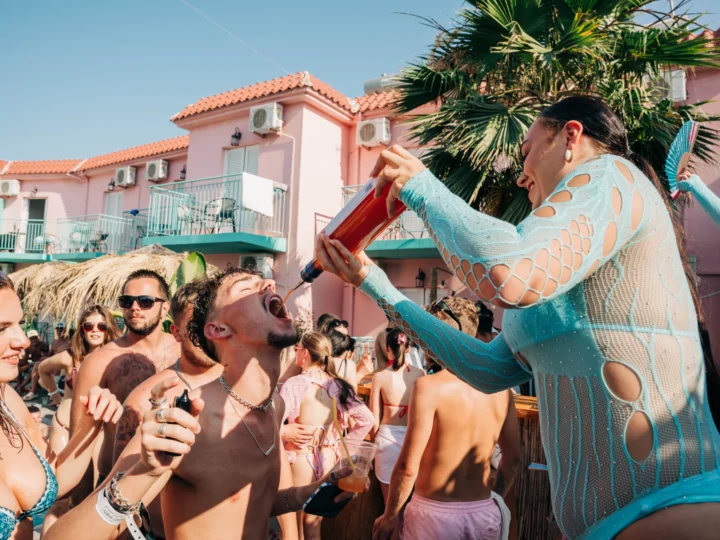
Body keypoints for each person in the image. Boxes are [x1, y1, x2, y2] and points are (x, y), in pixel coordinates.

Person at [316, 95, 720, 539]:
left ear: (571, 137)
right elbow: (489, 370)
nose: (521, 174)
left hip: (672, 507)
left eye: (526, 152)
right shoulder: (560, 257)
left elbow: (507, 273)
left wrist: (421, 188)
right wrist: (374, 282)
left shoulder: (611, 175)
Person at [45, 267, 361, 540]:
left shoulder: (274, 406)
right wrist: (146, 472)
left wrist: (309, 493)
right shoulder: (184, 416)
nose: (268, 283)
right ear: (218, 329)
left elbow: (247, 503)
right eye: (246, 287)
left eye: (264, 282)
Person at [373, 297, 519, 540]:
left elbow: (408, 467)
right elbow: (513, 459)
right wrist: (493, 497)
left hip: (434, 515)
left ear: (440, 337)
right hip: (484, 512)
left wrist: (390, 515)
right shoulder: (501, 390)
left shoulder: (429, 387)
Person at [0, 271, 123, 540]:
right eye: (1, 328)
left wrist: (91, 422)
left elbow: (54, 479)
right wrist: (57, 399)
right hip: (64, 421)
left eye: (19, 324)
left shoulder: (8, 399)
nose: (23, 340)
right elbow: (43, 370)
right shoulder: (70, 356)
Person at [109, 280, 227, 539]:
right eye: (195, 326)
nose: (207, 333)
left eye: (215, 324)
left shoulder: (243, 386)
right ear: (176, 332)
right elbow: (120, 496)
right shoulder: (142, 402)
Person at [70, 269, 179, 497]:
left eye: (145, 301)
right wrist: (79, 503)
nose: (134, 307)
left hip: (174, 485)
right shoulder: (100, 361)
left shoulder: (183, 352)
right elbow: (78, 440)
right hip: (116, 482)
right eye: (127, 301)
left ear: (165, 308)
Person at [280, 331, 374, 539]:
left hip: (301, 456)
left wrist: (285, 432)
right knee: (314, 526)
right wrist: (344, 446)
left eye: (297, 349)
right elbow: (367, 419)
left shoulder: (295, 384)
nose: (295, 353)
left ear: (305, 353)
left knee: (293, 527)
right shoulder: (339, 385)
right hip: (329, 458)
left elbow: (272, 423)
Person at [39, 305, 122, 454]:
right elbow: (42, 369)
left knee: (97, 470)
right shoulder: (69, 357)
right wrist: (56, 396)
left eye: (101, 326)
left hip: (98, 431)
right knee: (58, 469)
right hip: (65, 426)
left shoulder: (116, 360)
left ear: (108, 329)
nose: (95, 330)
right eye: (89, 326)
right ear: (82, 330)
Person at [369, 328, 424, 502]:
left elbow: (374, 415)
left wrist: (373, 445)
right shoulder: (420, 375)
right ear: (408, 348)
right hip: (412, 439)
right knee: (411, 500)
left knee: (389, 505)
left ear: (387, 348)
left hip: (386, 440)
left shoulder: (379, 376)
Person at [18, 330, 49, 401]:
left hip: (40, 364)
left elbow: (45, 357)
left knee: (33, 371)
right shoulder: (28, 347)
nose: (34, 340)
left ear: (38, 337)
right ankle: (21, 387)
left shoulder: (43, 345)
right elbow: (24, 359)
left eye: (35, 338)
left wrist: (29, 365)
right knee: (18, 368)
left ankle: (21, 387)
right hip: (32, 364)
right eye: (31, 339)